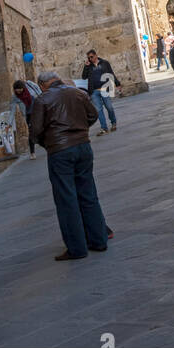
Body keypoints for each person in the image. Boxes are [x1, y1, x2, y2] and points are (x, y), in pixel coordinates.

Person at [29, 71, 110, 261]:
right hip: (83, 146)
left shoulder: (42, 100)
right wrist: (80, 130)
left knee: (67, 199)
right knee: (88, 193)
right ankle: (99, 239)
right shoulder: (77, 93)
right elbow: (93, 115)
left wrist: (49, 142)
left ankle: (77, 247)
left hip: (60, 151)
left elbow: (35, 131)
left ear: (42, 84)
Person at [81, 49, 120, 133]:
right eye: (89, 58)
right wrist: (86, 66)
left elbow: (111, 73)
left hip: (105, 89)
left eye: (91, 57)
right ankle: (104, 128)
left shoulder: (105, 63)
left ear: (96, 55)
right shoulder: (89, 66)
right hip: (94, 91)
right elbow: (84, 77)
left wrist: (117, 83)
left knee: (109, 107)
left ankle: (113, 123)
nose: (90, 59)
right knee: (99, 110)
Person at [11, 79, 40, 159]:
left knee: (40, 128)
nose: (19, 92)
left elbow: (38, 90)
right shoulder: (16, 97)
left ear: (23, 87)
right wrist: (9, 123)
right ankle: (32, 153)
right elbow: (12, 109)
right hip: (28, 114)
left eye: (20, 90)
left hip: (38, 111)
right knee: (31, 131)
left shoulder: (29, 86)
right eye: (17, 91)